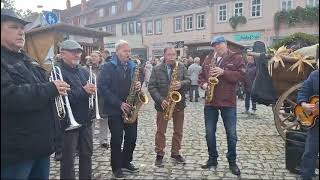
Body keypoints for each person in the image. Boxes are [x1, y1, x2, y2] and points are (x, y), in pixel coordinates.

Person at [1, 9, 70, 179]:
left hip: (40, 146)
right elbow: (8, 96)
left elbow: (43, 85)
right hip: (15, 152)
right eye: (14, 27)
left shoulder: (26, 58)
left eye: (22, 28)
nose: (21, 32)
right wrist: (50, 89)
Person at [198, 36, 245, 176]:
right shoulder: (208, 59)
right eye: (215, 45)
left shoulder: (236, 58)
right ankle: (212, 159)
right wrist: (204, 84)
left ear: (225, 44)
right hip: (210, 101)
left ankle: (232, 162)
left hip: (228, 102)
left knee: (231, 134)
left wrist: (224, 72)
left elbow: (242, 76)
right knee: (209, 133)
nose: (217, 47)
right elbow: (201, 76)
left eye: (219, 44)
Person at [98, 40, 141, 179]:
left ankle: (126, 161)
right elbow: (103, 88)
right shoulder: (108, 67)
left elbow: (136, 83)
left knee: (132, 138)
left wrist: (139, 86)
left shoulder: (133, 66)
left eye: (129, 51)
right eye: (125, 51)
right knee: (117, 139)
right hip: (115, 109)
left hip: (131, 107)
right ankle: (116, 167)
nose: (128, 54)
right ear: (117, 52)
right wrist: (119, 104)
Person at [56, 40, 96, 179]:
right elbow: (62, 99)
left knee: (87, 155)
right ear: (62, 53)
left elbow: (89, 95)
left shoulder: (84, 71)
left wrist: (92, 93)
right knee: (68, 160)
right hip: (68, 124)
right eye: (73, 52)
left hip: (86, 121)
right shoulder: (58, 72)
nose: (77, 54)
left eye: (79, 52)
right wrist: (84, 91)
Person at [148, 47, 191, 167]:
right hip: (163, 105)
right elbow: (151, 87)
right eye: (169, 54)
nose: (172, 57)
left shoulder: (181, 66)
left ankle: (175, 153)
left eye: (173, 54)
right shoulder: (156, 69)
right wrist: (160, 100)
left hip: (178, 104)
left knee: (178, 131)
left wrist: (181, 84)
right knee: (160, 131)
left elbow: (189, 80)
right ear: (164, 55)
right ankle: (160, 154)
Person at [297, 69, 319, 180]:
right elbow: (304, 91)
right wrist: (304, 103)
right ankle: (306, 176)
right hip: (316, 122)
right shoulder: (315, 75)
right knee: (309, 152)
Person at [87, 51, 110, 149]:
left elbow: (108, 81)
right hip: (91, 97)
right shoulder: (86, 68)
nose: (93, 58)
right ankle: (89, 140)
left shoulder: (104, 68)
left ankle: (103, 140)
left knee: (104, 119)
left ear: (100, 58)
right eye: (92, 56)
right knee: (91, 119)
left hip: (102, 97)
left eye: (95, 56)